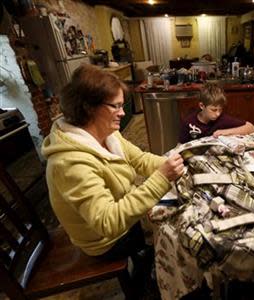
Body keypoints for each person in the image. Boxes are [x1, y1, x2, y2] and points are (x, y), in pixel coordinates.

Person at [41, 64, 184, 297]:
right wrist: (161, 179)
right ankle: (150, 281)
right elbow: (108, 222)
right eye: (116, 106)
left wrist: (175, 164)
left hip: (119, 215)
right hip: (103, 241)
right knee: (171, 228)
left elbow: (139, 159)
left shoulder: (106, 132)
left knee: (167, 214)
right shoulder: (70, 162)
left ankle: (148, 263)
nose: (123, 112)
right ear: (89, 108)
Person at [179, 82, 254, 143]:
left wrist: (224, 132)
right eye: (214, 110)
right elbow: (181, 145)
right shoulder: (188, 121)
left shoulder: (222, 118)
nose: (218, 114)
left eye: (220, 109)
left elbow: (251, 127)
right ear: (202, 106)